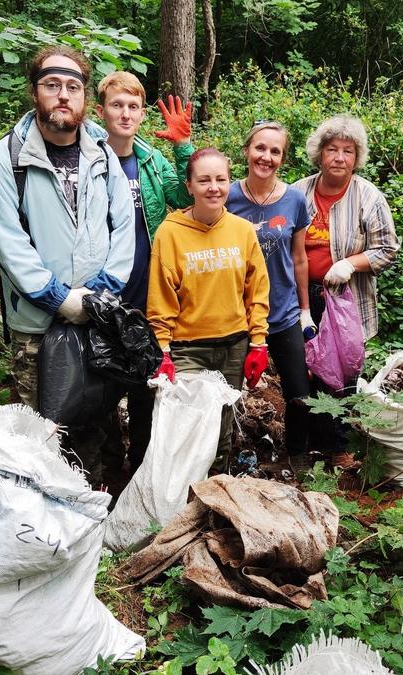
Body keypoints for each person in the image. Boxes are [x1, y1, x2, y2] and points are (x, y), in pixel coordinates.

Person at [0, 45, 135, 485]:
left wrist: (98, 295)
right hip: (37, 326)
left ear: (85, 98)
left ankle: (89, 513)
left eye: (73, 87)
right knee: (37, 430)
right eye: (52, 85)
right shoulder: (7, 158)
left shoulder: (103, 158)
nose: (63, 95)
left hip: (95, 323)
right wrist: (58, 298)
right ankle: (34, 526)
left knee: (93, 423)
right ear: (35, 92)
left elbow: (123, 229)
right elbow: (6, 240)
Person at [93, 71, 194, 476]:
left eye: (133, 106)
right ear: (101, 111)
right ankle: (109, 470)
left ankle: (140, 471)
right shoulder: (86, 158)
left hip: (146, 290)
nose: (125, 113)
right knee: (101, 387)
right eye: (117, 105)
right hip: (102, 294)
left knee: (144, 387)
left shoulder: (150, 162)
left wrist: (184, 147)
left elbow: (187, 196)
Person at [148, 148, 270, 463]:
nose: (213, 187)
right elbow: (161, 295)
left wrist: (258, 342)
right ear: (189, 186)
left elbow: (256, 290)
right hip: (188, 349)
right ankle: (178, 502)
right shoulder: (170, 233)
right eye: (204, 180)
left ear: (230, 182)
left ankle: (211, 502)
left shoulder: (242, 230)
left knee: (220, 429)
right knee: (186, 428)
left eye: (220, 179)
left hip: (233, 345)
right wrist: (162, 350)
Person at [292, 115, 399, 468]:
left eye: (347, 151)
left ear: (356, 157)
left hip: (345, 301)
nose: (339, 157)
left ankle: (340, 448)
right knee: (302, 369)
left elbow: (387, 249)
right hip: (301, 298)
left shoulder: (368, 196)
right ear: (319, 154)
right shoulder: (298, 192)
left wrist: (351, 263)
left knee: (343, 373)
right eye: (332, 149)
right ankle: (300, 446)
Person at [224, 121, 314, 472]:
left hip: (282, 312)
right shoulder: (227, 196)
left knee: (300, 394)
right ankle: (223, 457)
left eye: (275, 151)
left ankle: (298, 456)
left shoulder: (294, 200)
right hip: (236, 313)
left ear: (283, 158)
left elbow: (299, 257)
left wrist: (305, 309)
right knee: (227, 393)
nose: (266, 156)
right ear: (246, 151)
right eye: (260, 148)